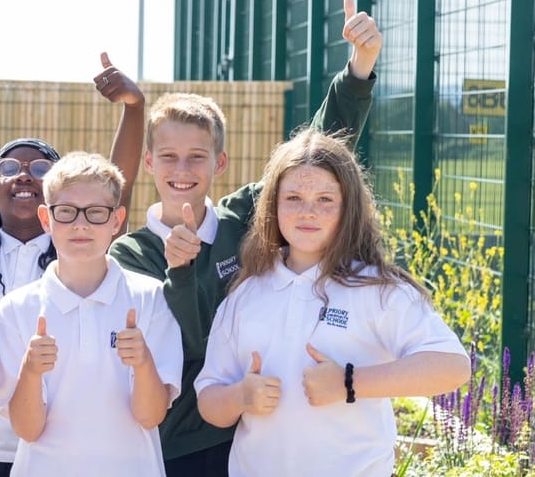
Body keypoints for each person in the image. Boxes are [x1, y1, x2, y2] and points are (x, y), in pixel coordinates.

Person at [107, 0, 383, 475]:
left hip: (260, 435)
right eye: (168, 156)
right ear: (149, 161)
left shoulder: (245, 218)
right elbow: (194, 345)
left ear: (221, 163)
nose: (182, 169)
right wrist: (182, 271)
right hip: (175, 449)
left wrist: (358, 70)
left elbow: (312, 153)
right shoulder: (133, 253)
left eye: (198, 156)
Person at [194, 129, 470, 476]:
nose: (308, 212)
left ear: (348, 208)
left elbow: (453, 367)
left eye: (325, 199)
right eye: (293, 197)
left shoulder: (376, 288)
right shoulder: (245, 294)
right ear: (272, 206)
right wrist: (240, 397)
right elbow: (209, 400)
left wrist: (348, 383)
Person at [0, 54, 145, 475]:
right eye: (10, 168)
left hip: (48, 450)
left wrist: (133, 110)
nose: (25, 175)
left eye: (41, 168)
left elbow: (120, 182)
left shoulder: (76, 244)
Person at [0, 152, 183, 476]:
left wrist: (143, 361)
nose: (80, 224)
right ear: (45, 218)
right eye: (66, 212)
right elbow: (27, 430)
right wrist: (30, 371)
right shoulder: (15, 310)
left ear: (116, 220)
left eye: (95, 212)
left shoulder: (150, 298)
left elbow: (151, 417)